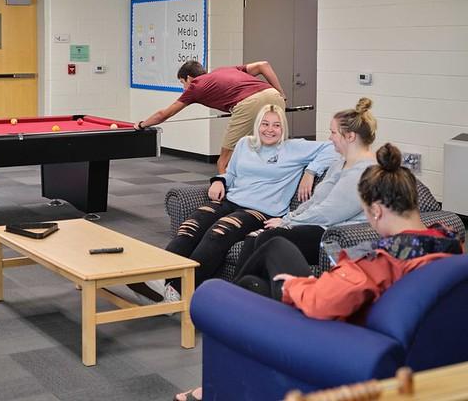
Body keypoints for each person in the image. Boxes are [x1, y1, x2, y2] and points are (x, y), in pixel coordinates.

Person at [174, 142, 462, 401]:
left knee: (251, 281)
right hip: (391, 342)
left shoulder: (383, 261)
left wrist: (292, 288)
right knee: (267, 259)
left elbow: (323, 302)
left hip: (333, 337)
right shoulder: (448, 244)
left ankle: (216, 381)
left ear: (375, 211)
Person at [127, 104, 338, 307]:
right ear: (257, 125)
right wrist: (220, 180)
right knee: (190, 225)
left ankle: (178, 292)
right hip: (231, 200)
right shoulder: (245, 144)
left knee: (218, 233)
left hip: (260, 211)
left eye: (276, 125)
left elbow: (333, 148)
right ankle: (158, 276)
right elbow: (232, 173)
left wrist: (311, 172)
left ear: (284, 128)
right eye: (265, 124)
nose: (270, 130)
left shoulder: (294, 148)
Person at [233, 98, 378, 273]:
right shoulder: (340, 163)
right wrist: (289, 218)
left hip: (340, 241)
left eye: (333, 133)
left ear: (350, 136)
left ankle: (244, 293)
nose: (329, 138)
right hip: (321, 228)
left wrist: (288, 222)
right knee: (254, 238)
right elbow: (315, 201)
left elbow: (328, 213)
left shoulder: (365, 172)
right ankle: (244, 292)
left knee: (270, 239)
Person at [134, 60, 287, 173]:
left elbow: (164, 114)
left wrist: (142, 124)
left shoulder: (195, 87)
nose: (184, 88)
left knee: (224, 162)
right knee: (268, 150)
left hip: (248, 105)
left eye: (182, 82)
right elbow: (263, 65)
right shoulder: (224, 70)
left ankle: (227, 199)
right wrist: (280, 93)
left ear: (189, 78)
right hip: (274, 96)